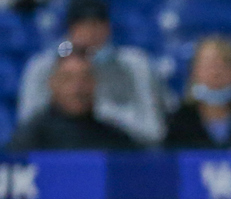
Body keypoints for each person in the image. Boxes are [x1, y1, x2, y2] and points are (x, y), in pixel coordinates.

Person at [17, 0, 164, 145]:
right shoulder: (44, 66)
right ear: (70, 30)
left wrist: (103, 112)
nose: (90, 33)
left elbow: (153, 131)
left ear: (108, 28)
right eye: (83, 25)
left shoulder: (134, 63)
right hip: (57, 144)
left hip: (118, 147)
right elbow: (28, 122)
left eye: (97, 24)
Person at [9, 49, 138, 151]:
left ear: (95, 84)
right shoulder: (28, 141)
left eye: (84, 79)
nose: (77, 88)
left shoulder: (116, 141)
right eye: (68, 79)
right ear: (53, 84)